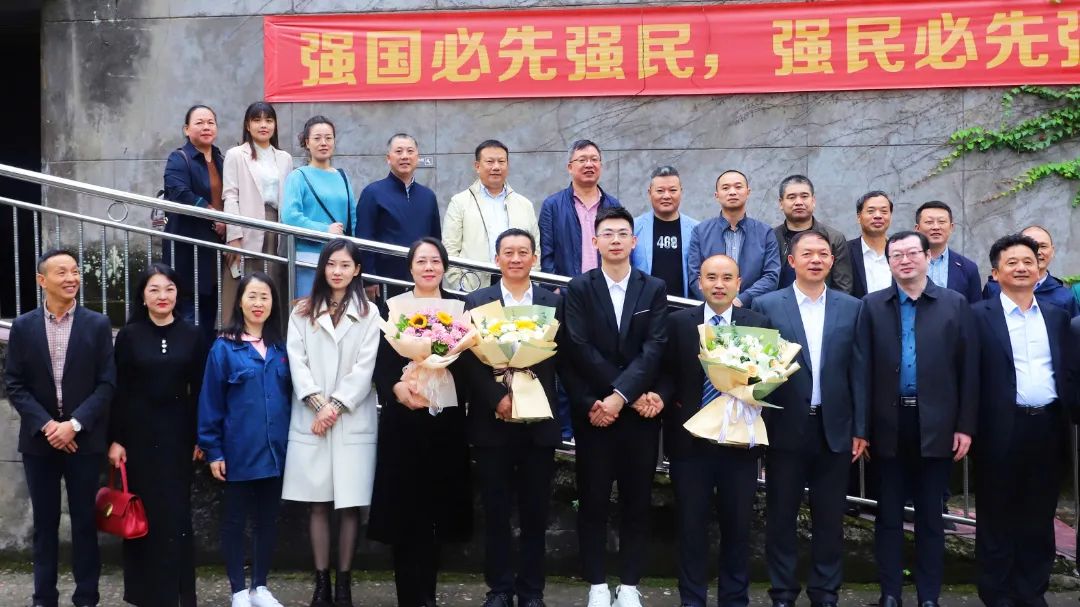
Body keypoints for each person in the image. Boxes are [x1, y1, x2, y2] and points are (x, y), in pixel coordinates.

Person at [858, 231, 978, 607]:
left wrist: (965, 425)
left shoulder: (955, 304)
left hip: (937, 425)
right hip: (887, 424)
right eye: (897, 255)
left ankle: (929, 596)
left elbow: (968, 370)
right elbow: (861, 371)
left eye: (912, 253)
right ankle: (890, 593)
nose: (905, 260)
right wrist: (862, 429)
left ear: (927, 257)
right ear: (889, 263)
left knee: (931, 517)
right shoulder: (871, 305)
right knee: (887, 515)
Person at [750, 230, 869, 607]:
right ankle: (783, 592)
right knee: (781, 516)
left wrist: (860, 428)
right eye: (807, 254)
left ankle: (825, 592)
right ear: (792, 261)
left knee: (830, 518)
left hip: (834, 428)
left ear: (832, 261)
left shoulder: (852, 307)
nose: (815, 260)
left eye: (823, 254)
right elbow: (757, 369)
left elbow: (859, 371)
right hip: (785, 426)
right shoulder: (768, 305)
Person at [560, 206, 667, 607]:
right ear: (595, 241)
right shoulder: (579, 288)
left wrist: (622, 397)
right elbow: (578, 348)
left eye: (623, 233)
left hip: (638, 416)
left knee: (637, 501)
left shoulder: (653, 287)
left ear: (634, 241)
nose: (616, 240)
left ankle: (630, 584)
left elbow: (654, 348)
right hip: (595, 415)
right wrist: (610, 398)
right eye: (608, 233)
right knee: (593, 500)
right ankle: (597, 584)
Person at [656, 254, 771, 607]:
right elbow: (667, 373)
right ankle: (692, 599)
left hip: (739, 443)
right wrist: (658, 397)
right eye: (711, 277)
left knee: (738, 526)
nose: (718, 284)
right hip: (690, 443)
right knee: (691, 527)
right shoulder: (679, 323)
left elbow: (768, 375)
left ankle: (734, 599)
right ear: (699, 282)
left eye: (726, 278)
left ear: (739, 283)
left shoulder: (757, 324)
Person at [4, 249, 116, 607]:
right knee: (45, 524)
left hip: (85, 441)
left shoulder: (97, 324)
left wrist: (74, 425)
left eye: (75, 271)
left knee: (84, 522)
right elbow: (14, 383)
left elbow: (107, 383)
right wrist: (49, 426)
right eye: (62, 272)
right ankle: (43, 597)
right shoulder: (23, 327)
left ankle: (87, 597)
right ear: (42, 280)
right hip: (40, 443)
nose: (71, 278)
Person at [367, 238, 473, 607]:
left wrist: (440, 364)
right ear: (410, 267)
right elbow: (381, 362)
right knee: (405, 511)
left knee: (437, 510)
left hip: (444, 422)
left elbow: (468, 361)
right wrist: (397, 388)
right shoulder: (393, 308)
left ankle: (427, 594)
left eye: (435, 261)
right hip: (404, 421)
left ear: (444, 267)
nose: (428, 267)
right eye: (421, 261)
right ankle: (408, 596)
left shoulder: (460, 310)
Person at [461, 228, 562, 607]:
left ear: (534, 258)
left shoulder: (553, 302)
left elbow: (562, 359)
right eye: (508, 252)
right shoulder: (478, 301)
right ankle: (500, 589)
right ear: (497, 259)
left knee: (536, 512)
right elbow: (468, 359)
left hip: (538, 425)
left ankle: (532, 591)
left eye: (523, 252)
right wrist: (496, 398)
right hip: (493, 423)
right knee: (496, 511)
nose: (516, 259)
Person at [972, 233, 1074, 607]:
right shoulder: (977, 316)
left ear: (1039, 268)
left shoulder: (1058, 317)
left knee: (1039, 515)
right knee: (996, 516)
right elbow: (968, 376)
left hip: (1047, 427)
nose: (1021, 268)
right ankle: (997, 593)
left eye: (1028, 261)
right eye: (1011, 262)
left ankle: (1031, 591)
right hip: (999, 429)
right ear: (995, 272)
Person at [283, 239, 380, 607]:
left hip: (350, 417)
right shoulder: (302, 311)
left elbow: (365, 368)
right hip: (313, 416)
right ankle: (321, 583)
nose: (337, 271)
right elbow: (297, 362)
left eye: (345, 265)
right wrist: (318, 403)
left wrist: (335, 406)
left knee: (350, 505)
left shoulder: (370, 313)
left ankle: (344, 585)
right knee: (318, 503)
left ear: (357, 270)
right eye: (331, 264)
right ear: (322, 268)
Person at [107, 264, 207, 607]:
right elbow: (119, 390)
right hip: (137, 438)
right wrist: (116, 439)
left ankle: (179, 594)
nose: (162, 296)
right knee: (141, 515)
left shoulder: (193, 335)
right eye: (154, 289)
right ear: (143, 296)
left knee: (177, 516)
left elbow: (201, 390)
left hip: (179, 437)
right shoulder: (129, 336)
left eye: (169, 289)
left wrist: (201, 436)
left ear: (178, 293)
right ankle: (143, 595)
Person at [198, 272, 291, 607]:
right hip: (238, 451)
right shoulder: (224, 347)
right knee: (234, 522)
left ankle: (260, 587)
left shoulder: (281, 347)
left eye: (265, 297)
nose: (258, 303)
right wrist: (213, 450)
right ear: (239, 301)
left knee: (268, 521)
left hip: (275, 451)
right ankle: (238, 589)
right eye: (252, 296)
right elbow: (211, 401)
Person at [222, 101, 293, 323]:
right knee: (243, 284)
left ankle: (272, 335)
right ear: (247, 125)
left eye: (269, 120)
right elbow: (230, 195)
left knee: (273, 283)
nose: (263, 125)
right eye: (257, 120)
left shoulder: (284, 158)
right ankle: (234, 334)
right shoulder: (236, 154)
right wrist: (234, 236)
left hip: (276, 227)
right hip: (247, 225)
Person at [443, 140, 540, 292]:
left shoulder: (524, 204)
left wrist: (532, 284)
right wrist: (460, 286)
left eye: (501, 161)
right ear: (477, 166)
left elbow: (535, 249)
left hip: (518, 286)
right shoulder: (459, 202)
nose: (496, 167)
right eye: (490, 162)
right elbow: (450, 249)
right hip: (475, 286)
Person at [162, 104, 225, 338]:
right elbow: (179, 192)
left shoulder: (221, 159)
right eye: (199, 123)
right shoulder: (179, 158)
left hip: (215, 247)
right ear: (186, 129)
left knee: (209, 311)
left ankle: (204, 358)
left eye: (210, 122)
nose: (206, 127)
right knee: (188, 312)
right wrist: (213, 214)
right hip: (188, 246)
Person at [356, 133, 441, 299]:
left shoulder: (428, 196)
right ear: (388, 158)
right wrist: (369, 279)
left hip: (423, 278)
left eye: (410, 151)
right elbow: (364, 237)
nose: (405, 156)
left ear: (417, 157)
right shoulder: (373, 193)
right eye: (399, 151)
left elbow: (435, 239)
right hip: (385, 280)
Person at [281, 116, 356, 298]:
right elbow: (290, 216)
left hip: (340, 258)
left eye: (328, 138)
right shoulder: (298, 176)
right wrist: (324, 230)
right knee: (310, 308)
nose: (323, 143)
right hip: (309, 257)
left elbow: (352, 218)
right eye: (317, 138)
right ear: (307, 143)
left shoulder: (342, 177)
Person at [687, 169, 780, 306]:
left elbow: (771, 276)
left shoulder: (765, 233)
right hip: (711, 310)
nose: (732, 192)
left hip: (752, 309)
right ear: (716, 195)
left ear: (748, 192)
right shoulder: (700, 231)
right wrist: (716, 302)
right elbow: (694, 276)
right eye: (725, 188)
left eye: (738, 187)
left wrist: (741, 300)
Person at [538, 139, 621, 278]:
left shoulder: (613, 205)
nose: (589, 164)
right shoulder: (552, 206)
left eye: (594, 159)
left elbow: (621, 250)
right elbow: (546, 254)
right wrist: (555, 287)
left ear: (600, 166)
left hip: (605, 286)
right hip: (566, 287)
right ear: (570, 167)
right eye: (582, 160)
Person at [772, 175, 853, 294]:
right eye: (792, 197)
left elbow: (843, 287)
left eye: (804, 196)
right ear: (781, 203)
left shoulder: (834, 238)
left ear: (813, 200)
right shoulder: (770, 238)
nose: (798, 202)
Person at [630, 165, 700, 298]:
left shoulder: (696, 229)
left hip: (685, 305)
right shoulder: (633, 227)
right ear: (650, 193)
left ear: (681, 192)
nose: (666, 196)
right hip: (645, 305)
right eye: (660, 191)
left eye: (673, 190)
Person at [983, 225, 1080, 317]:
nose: (1037, 252)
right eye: (1030, 247)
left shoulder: (1064, 297)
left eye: (1043, 246)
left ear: (1052, 251)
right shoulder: (994, 288)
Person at [913, 201, 981, 303]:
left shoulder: (968, 268)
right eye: (929, 222)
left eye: (941, 222)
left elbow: (975, 307)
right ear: (917, 228)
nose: (936, 227)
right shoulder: (905, 263)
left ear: (951, 227)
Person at [848, 191, 893, 299]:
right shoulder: (845, 252)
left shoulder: (901, 252)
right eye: (871, 211)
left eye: (884, 211)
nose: (878, 216)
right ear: (859, 217)